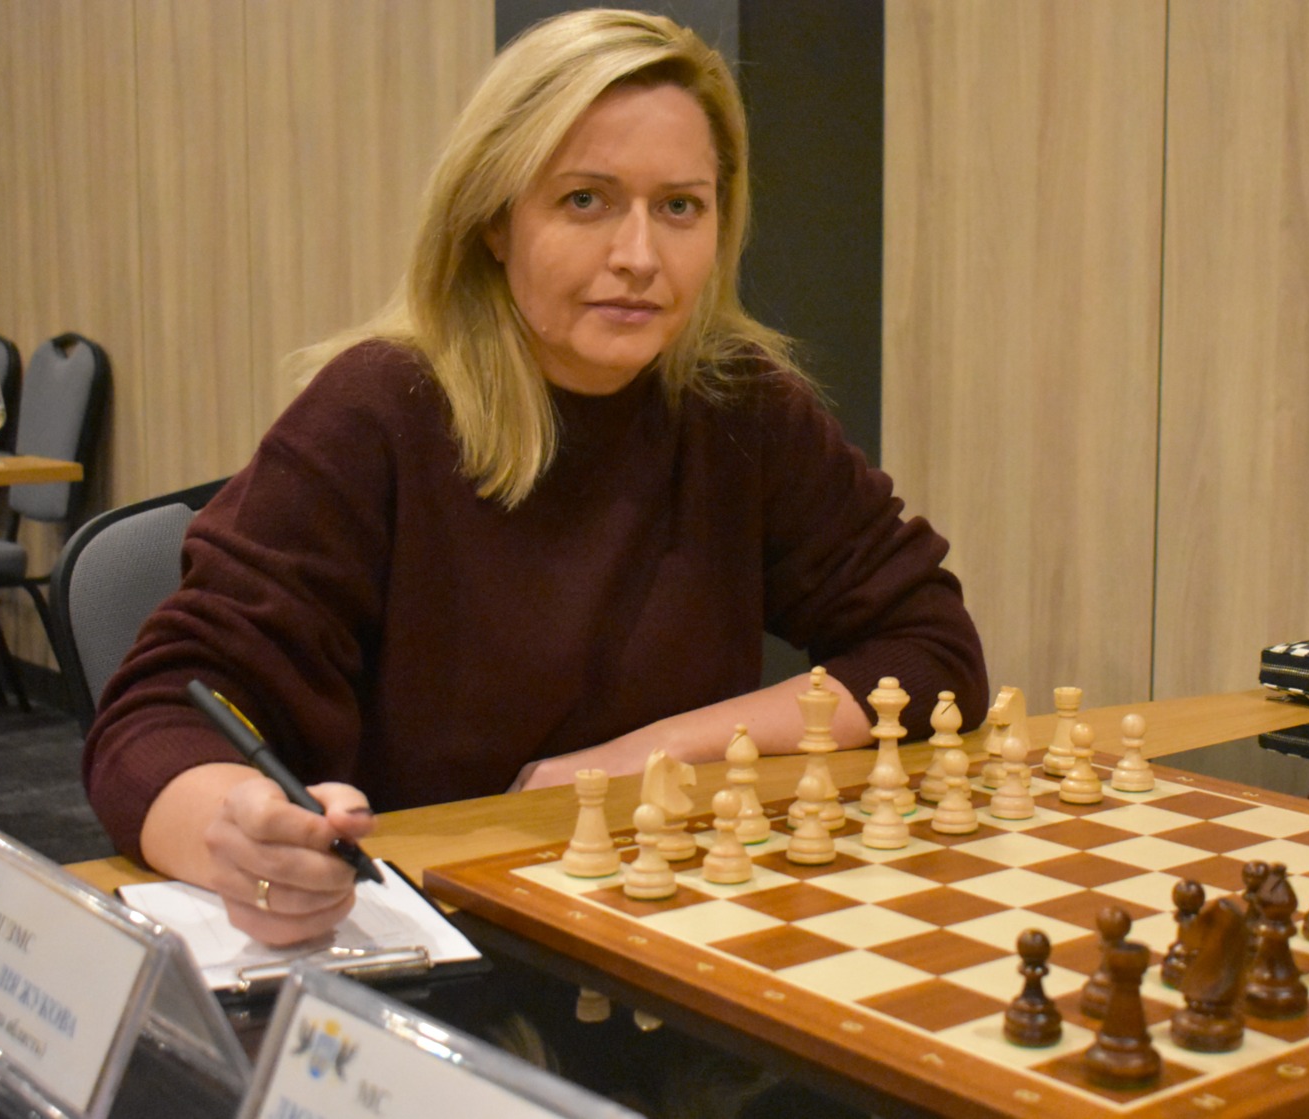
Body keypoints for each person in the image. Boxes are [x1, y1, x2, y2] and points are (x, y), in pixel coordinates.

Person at [82, 8, 987, 947]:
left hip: (674, 925)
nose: (639, 257)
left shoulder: (739, 406)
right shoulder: (377, 411)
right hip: (441, 951)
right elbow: (156, 716)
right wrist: (234, 833)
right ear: (493, 222)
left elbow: (932, 648)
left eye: (680, 207)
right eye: (586, 200)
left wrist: (650, 755)